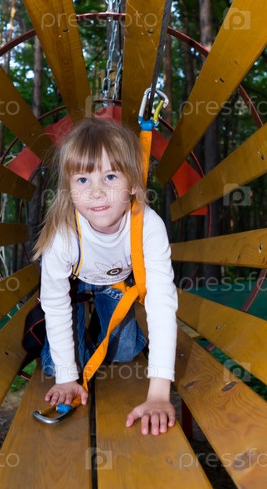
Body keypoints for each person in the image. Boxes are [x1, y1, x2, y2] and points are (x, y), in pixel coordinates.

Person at [33, 117, 178, 436]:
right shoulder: (64, 234)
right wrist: (67, 378)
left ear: (133, 183)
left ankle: (97, 322)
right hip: (74, 285)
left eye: (110, 176)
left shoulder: (148, 226)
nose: (96, 192)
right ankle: (78, 317)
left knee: (125, 352)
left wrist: (158, 393)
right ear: (69, 189)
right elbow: (54, 303)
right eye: (82, 179)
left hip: (114, 284)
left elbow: (161, 303)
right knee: (56, 365)